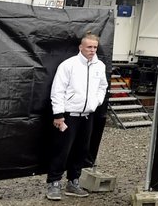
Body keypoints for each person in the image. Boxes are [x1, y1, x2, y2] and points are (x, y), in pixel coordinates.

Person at [45, 32, 109, 201]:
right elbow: (57, 90)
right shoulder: (69, 65)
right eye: (89, 47)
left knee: (81, 150)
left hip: (88, 116)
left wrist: (96, 102)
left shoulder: (99, 66)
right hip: (69, 115)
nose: (92, 50)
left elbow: (103, 86)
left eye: (95, 47)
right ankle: (54, 183)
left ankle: (73, 182)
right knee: (62, 150)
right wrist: (58, 115)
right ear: (81, 47)